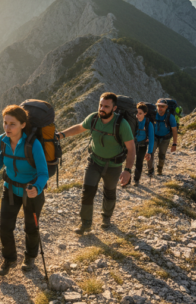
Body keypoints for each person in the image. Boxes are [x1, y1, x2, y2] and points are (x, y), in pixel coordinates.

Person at [0, 105, 49, 276]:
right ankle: (9, 259)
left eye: (12, 124)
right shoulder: (1, 141)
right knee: (5, 228)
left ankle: (30, 256)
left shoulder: (33, 144)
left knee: (31, 228)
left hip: (31, 193)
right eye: (5, 123)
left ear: (23, 125)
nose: (7, 128)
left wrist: (37, 188)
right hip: (9, 190)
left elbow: (43, 172)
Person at [57, 92, 136, 233]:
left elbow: (131, 149)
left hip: (113, 166)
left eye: (106, 106)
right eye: (100, 105)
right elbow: (80, 127)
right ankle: (85, 224)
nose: (102, 109)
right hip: (94, 162)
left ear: (114, 108)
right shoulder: (93, 118)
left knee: (109, 192)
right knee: (87, 192)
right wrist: (61, 135)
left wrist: (128, 170)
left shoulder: (121, 125)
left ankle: (106, 218)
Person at [152, 98, 178, 175]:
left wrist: (174, 144)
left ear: (166, 107)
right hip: (154, 137)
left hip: (165, 138)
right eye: (158, 106)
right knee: (150, 152)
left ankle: (159, 170)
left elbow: (174, 130)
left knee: (162, 154)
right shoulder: (153, 114)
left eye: (162, 106)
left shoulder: (170, 117)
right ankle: (151, 170)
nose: (160, 108)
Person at [133, 103, 155, 185]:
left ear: (145, 113)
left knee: (139, 162)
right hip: (132, 144)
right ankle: (126, 180)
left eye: (140, 113)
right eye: (136, 113)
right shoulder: (133, 121)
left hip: (142, 146)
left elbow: (151, 139)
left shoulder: (148, 124)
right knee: (129, 162)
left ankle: (136, 180)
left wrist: (149, 152)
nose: (137, 115)